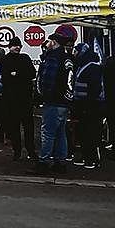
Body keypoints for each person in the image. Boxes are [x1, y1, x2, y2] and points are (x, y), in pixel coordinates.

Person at [34, 29, 75, 175]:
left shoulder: (53, 58)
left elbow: (47, 80)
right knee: (61, 133)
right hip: (64, 101)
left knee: (48, 132)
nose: (47, 44)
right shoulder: (67, 58)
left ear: (54, 43)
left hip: (53, 101)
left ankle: (43, 162)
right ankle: (60, 162)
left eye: (49, 41)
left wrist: (43, 95)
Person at [0, 37, 37, 161]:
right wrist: (20, 75)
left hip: (25, 99)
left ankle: (31, 150)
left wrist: (17, 74)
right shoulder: (5, 60)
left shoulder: (25, 58)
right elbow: (6, 78)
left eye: (19, 45)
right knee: (14, 126)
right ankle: (17, 150)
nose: (17, 47)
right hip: (11, 100)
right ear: (9, 47)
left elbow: (32, 73)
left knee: (28, 127)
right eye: (15, 45)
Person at [71, 43, 104, 169]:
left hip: (90, 106)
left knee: (91, 132)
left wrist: (87, 105)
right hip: (83, 105)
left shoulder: (92, 67)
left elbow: (94, 88)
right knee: (83, 132)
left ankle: (92, 159)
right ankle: (85, 156)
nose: (74, 54)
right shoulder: (84, 66)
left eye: (76, 51)